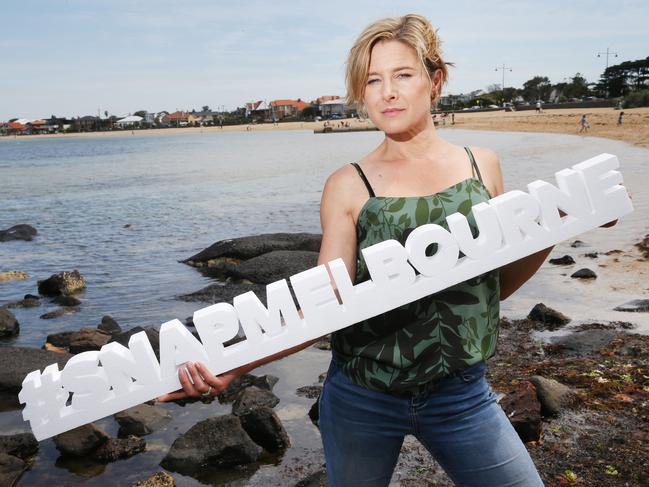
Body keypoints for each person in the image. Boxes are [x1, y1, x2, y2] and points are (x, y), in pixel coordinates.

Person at [159, 14, 617, 486]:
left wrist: (557, 226)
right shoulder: (347, 185)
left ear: (435, 80)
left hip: (461, 394)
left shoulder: (482, 166)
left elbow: (491, 288)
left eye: (403, 75)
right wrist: (235, 364)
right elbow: (326, 303)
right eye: (373, 80)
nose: (387, 92)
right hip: (362, 397)